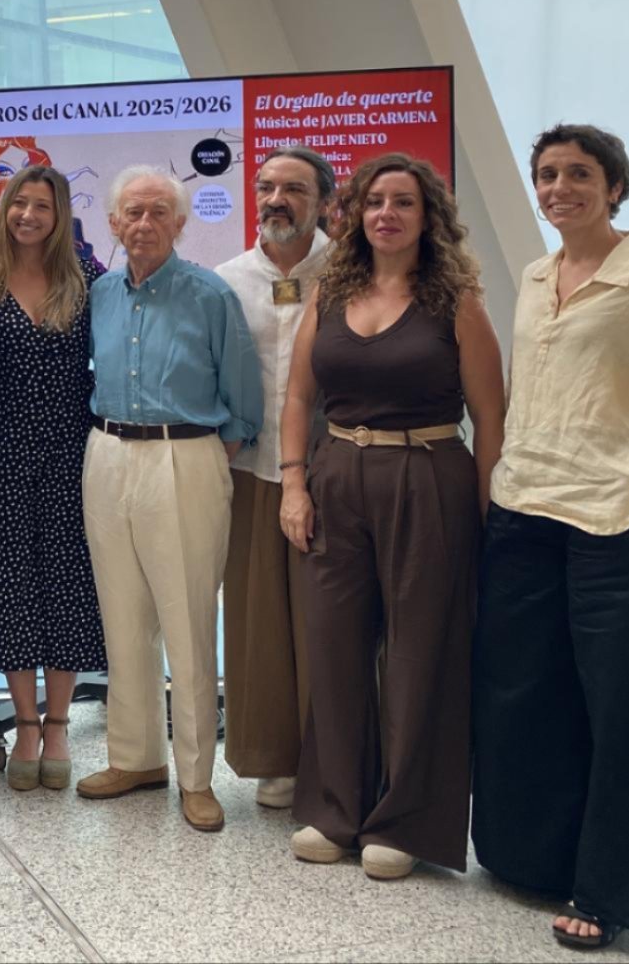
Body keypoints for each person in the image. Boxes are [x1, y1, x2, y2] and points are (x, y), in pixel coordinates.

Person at [472, 125, 629, 951]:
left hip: (620, 522)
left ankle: (607, 893)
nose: (559, 187)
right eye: (547, 175)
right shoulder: (537, 275)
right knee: (527, 699)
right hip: (529, 512)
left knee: (627, 716)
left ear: (614, 186)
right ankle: (533, 861)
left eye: (578, 174)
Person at [280, 153, 504, 880]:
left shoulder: (457, 302)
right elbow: (295, 399)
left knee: (419, 655)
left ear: (428, 216)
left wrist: (488, 516)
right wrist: (293, 483)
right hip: (338, 473)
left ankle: (405, 820)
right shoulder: (330, 292)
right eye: (374, 201)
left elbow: (490, 419)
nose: (387, 214)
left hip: (428, 475)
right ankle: (335, 808)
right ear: (353, 213)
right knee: (336, 647)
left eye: (403, 202)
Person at [76, 165, 260, 834]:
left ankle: (195, 778)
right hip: (106, 455)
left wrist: (200, 454)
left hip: (183, 457)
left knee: (184, 623)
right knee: (122, 618)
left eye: (159, 212)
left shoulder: (210, 295)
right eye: (133, 212)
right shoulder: (98, 292)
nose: (145, 223)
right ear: (114, 225)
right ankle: (135, 758)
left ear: (180, 224)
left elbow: (245, 401)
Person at [0, 164, 104, 792]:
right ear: (4, 210)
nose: (28, 214)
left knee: (70, 589)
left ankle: (57, 725)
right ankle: (25, 723)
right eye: (18, 202)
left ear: (60, 214)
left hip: (75, 457)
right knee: (8, 588)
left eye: (41, 206)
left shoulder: (89, 282)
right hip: (0, 457)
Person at [212, 148, 334, 811]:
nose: (277, 198)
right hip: (254, 472)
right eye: (267, 187)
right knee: (260, 618)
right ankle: (274, 757)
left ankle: (333, 755)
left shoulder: (348, 273)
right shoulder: (226, 280)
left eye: (294, 188)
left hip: (337, 471)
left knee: (327, 619)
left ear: (323, 203)